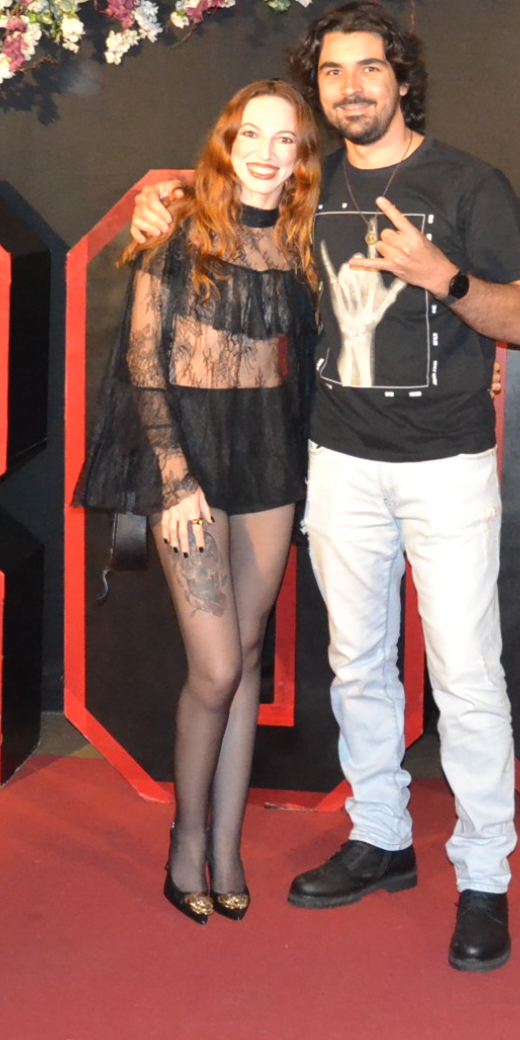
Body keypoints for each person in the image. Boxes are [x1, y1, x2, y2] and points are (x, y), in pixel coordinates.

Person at [130, 1, 520, 971]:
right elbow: (223, 206)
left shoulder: (467, 183)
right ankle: (381, 837)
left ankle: (485, 877)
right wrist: (160, 202)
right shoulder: (310, 189)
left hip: (445, 466)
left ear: (402, 78)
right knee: (357, 664)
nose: (350, 87)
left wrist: (444, 277)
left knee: (466, 677)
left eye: (368, 68)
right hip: (339, 463)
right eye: (331, 73)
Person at [74, 80, 322, 925]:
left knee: (247, 658)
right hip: (190, 459)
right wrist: (173, 479)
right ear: (227, 143)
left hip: (271, 460)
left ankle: (229, 844)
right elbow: (144, 360)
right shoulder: (177, 227)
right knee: (215, 668)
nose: (265, 152)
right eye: (251, 135)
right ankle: (186, 842)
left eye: (284, 140)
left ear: (301, 159)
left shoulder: (306, 244)